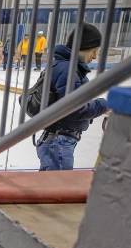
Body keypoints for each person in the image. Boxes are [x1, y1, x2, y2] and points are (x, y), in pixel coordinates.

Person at [36, 24, 108, 171]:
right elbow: (75, 109)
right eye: (93, 51)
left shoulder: (63, 66)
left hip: (56, 140)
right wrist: (104, 104)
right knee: (58, 190)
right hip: (59, 142)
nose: (94, 56)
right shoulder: (69, 70)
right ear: (83, 47)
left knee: (48, 189)